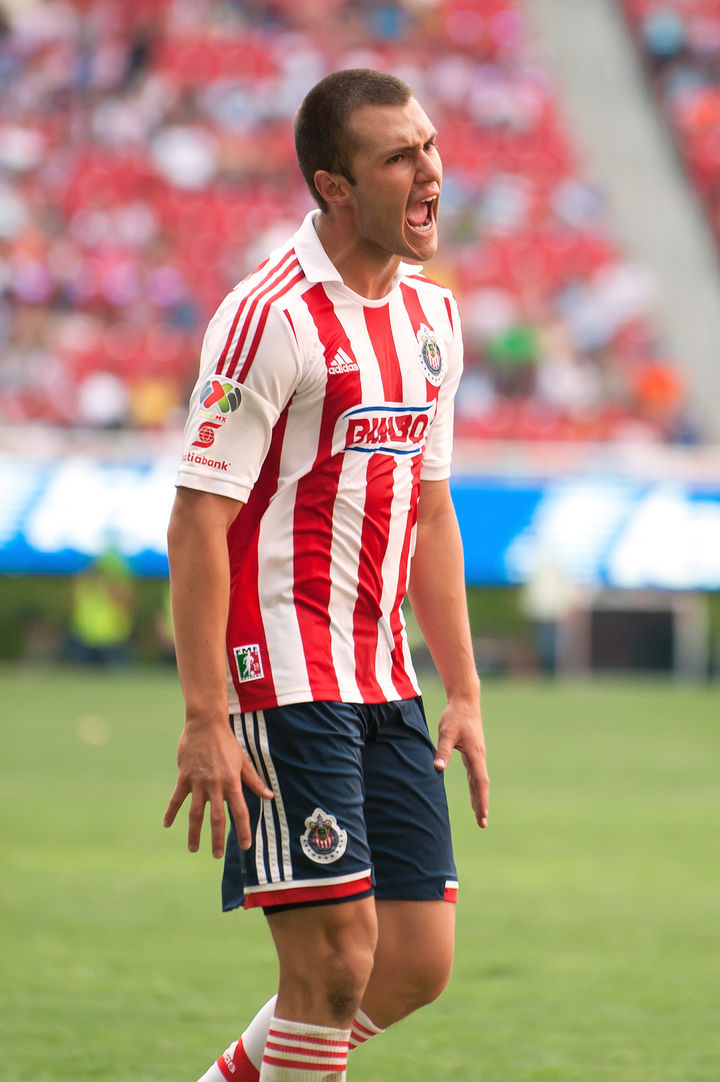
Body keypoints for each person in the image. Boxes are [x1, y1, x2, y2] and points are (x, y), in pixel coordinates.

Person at [164, 68, 490, 1082]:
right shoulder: (270, 317)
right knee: (336, 963)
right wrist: (206, 715)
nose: (430, 171)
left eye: (428, 145)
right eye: (399, 157)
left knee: (414, 962)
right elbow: (198, 518)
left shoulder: (434, 319)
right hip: (283, 674)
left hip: (384, 678)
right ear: (334, 187)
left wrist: (464, 689)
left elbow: (429, 510)